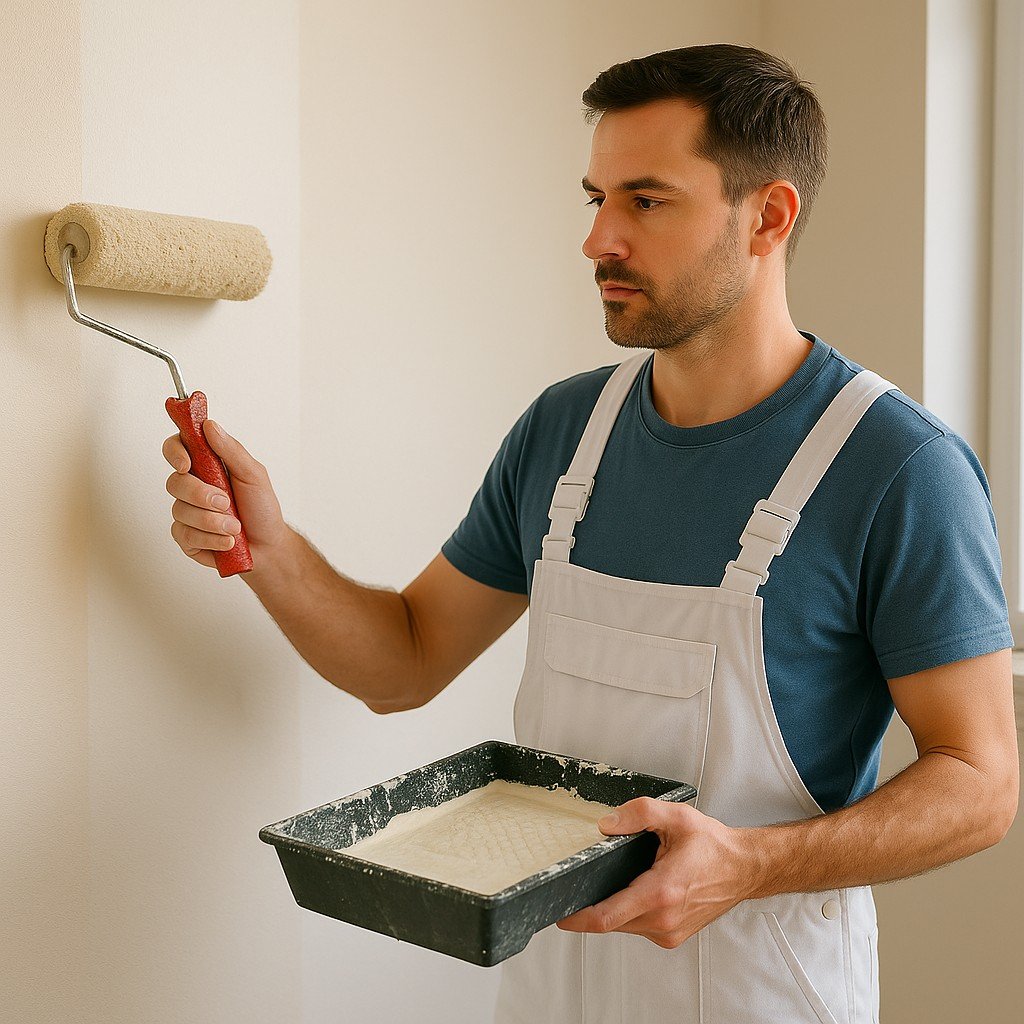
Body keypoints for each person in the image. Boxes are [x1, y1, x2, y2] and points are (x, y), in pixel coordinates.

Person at [162, 43, 1018, 1024]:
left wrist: (746, 864)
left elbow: (980, 782)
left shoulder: (896, 468)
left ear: (767, 218)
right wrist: (269, 548)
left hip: (761, 994)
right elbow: (402, 660)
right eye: (595, 199)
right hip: (554, 995)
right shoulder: (565, 434)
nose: (598, 239)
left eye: (645, 201)